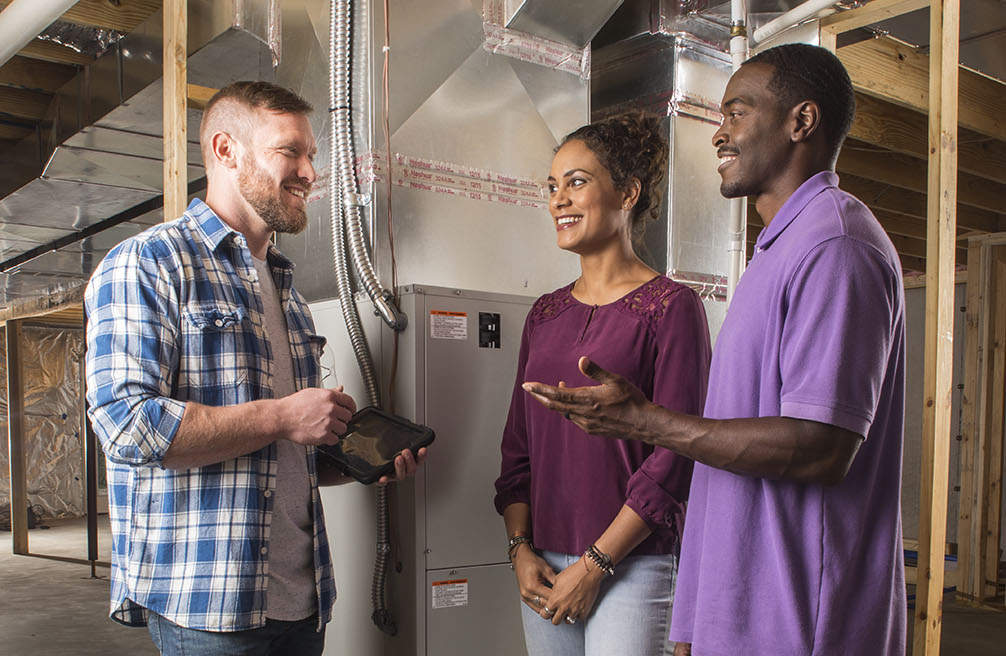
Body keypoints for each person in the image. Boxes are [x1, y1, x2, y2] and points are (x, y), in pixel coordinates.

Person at [524, 43, 907, 655]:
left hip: (801, 620)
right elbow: (725, 456)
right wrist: (696, 621)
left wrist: (647, 422)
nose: (718, 134)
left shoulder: (835, 245)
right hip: (741, 614)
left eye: (736, 113)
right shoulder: (777, 253)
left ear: (800, 122)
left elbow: (822, 449)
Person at [84, 81, 425, 655]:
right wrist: (282, 416)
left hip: (303, 598)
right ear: (226, 150)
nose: (310, 173)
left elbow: (280, 453)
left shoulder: (287, 288)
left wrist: (354, 463)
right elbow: (125, 425)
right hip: (209, 606)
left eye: (311, 156)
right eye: (289, 151)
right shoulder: (149, 264)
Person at [494, 113, 711, 656]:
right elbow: (518, 448)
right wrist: (519, 549)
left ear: (628, 193)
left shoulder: (672, 308)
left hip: (633, 565)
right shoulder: (544, 314)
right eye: (552, 186)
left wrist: (596, 565)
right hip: (542, 563)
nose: (559, 199)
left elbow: (675, 456)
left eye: (577, 181)